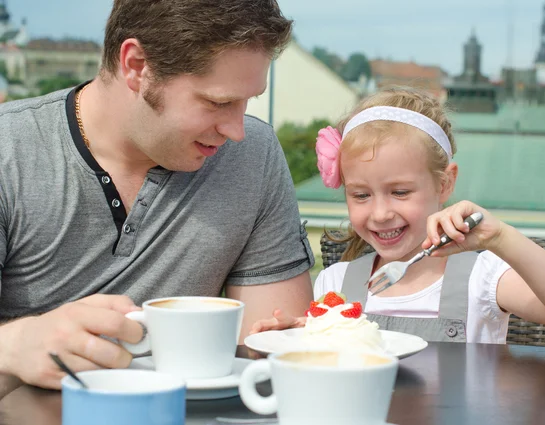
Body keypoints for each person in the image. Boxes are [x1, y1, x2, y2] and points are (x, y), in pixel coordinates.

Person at [0, 0, 314, 389]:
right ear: (136, 66)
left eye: (246, 101)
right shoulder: (8, 152)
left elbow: (269, 370)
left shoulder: (254, 156)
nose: (237, 130)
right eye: (218, 102)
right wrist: (12, 347)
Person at [251, 86, 545, 343]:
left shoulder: (481, 278)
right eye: (360, 195)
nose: (381, 213)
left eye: (400, 192)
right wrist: (293, 339)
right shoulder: (334, 284)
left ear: (445, 184)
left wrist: (500, 237)